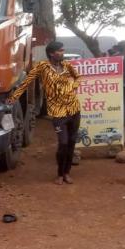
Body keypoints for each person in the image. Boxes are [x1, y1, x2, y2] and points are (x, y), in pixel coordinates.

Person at [7, 41, 81, 185]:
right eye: (60, 50)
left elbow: (78, 77)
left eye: (63, 50)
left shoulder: (67, 65)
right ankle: (60, 174)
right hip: (58, 112)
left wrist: (73, 86)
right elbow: (27, 82)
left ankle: (67, 173)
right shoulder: (42, 67)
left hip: (74, 109)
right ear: (52, 53)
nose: (62, 52)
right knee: (63, 143)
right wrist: (13, 97)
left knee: (72, 142)